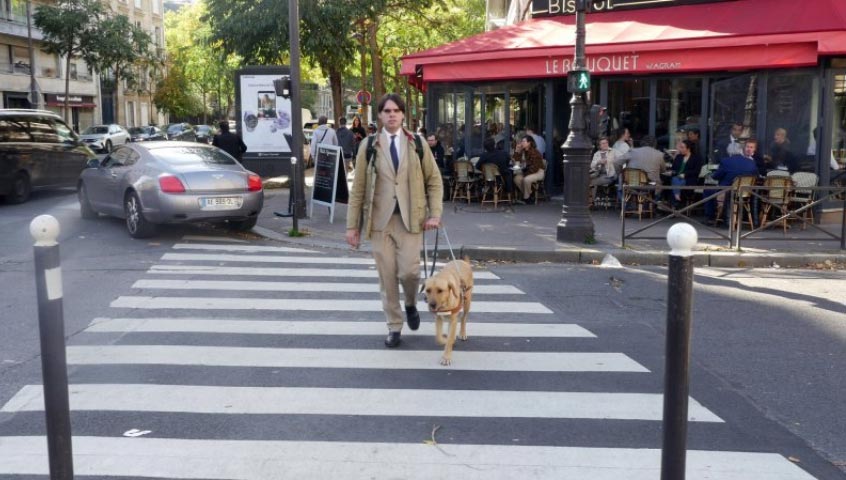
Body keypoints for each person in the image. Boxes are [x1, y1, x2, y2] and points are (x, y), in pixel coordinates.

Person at [345, 93, 443, 348]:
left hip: (411, 220)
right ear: (379, 115)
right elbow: (358, 189)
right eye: (386, 111)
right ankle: (394, 325)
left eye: (396, 111)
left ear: (403, 114)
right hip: (379, 221)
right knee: (387, 276)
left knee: (410, 273)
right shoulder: (368, 146)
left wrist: (435, 214)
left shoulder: (417, 144)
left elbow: (434, 180)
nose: (391, 115)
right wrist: (352, 226)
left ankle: (410, 303)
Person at [704, 138, 759, 225]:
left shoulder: (726, 161)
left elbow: (716, 176)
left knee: (708, 190)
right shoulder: (752, 164)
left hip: (726, 192)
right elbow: (756, 177)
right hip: (744, 194)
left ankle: (710, 217)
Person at [511, 135, 545, 205]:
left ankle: (527, 198)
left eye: (524, 141)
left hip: (538, 172)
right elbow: (515, 160)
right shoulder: (523, 151)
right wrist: (517, 151)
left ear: (529, 143)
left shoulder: (535, 152)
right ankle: (529, 195)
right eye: (522, 141)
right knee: (516, 178)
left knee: (526, 179)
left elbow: (535, 167)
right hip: (527, 171)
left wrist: (525, 173)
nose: (522, 143)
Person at [669, 139, 704, 207]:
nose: (680, 149)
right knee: (674, 180)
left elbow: (696, 171)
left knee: (674, 181)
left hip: (689, 179)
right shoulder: (678, 157)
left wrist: (685, 174)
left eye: (682, 147)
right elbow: (674, 169)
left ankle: (675, 202)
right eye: (680, 147)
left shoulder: (696, 158)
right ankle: (676, 198)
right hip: (677, 178)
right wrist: (671, 172)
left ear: (688, 148)